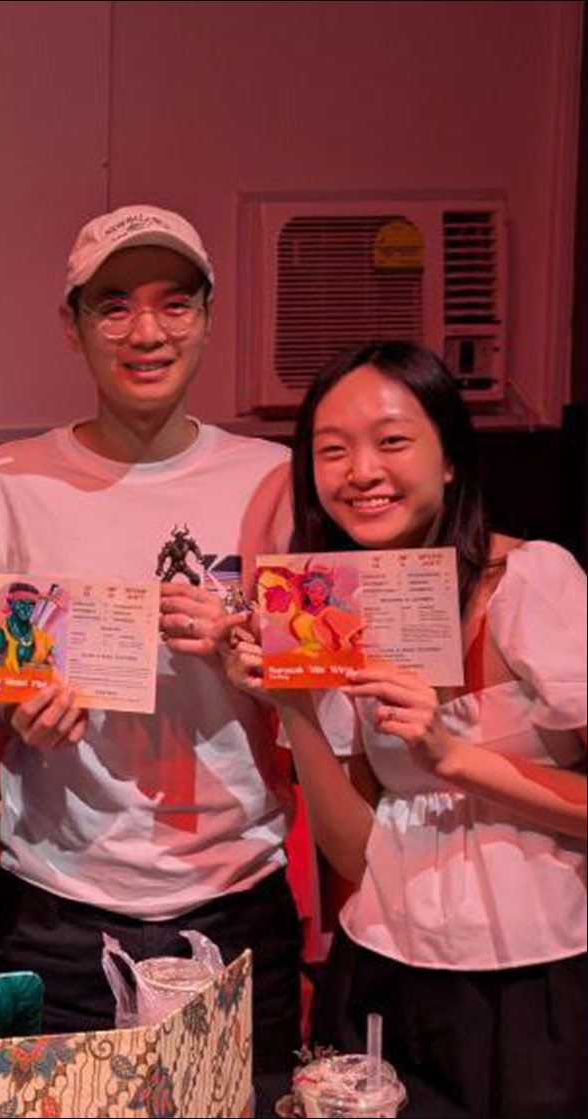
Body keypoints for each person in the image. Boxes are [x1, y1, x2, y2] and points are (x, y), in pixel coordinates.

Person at [0, 205, 303, 1074]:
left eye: (174, 304)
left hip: (236, 892)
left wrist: (247, 658)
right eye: (113, 306)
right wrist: (15, 710)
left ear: (208, 318)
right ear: (72, 324)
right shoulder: (10, 479)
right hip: (55, 900)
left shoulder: (271, 478)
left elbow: (312, 692)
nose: (147, 331)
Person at [220, 341, 585, 1117]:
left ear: (449, 458)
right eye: (331, 450)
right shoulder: (327, 608)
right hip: (381, 963)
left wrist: (450, 755)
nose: (360, 470)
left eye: (390, 440)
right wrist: (290, 700)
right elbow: (355, 849)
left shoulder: (532, 583)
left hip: (539, 977)